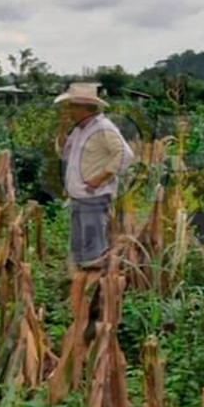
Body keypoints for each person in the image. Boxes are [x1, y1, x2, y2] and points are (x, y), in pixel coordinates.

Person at [58, 82, 135, 271]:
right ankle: (81, 291)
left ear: (84, 108)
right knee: (79, 253)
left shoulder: (103, 128)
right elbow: (64, 153)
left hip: (93, 198)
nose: (68, 110)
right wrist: (61, 127)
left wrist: (99, 178)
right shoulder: (79, 129)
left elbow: (126, 155)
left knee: (93, 256)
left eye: (72, 106)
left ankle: (96, 292)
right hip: (78, 197)